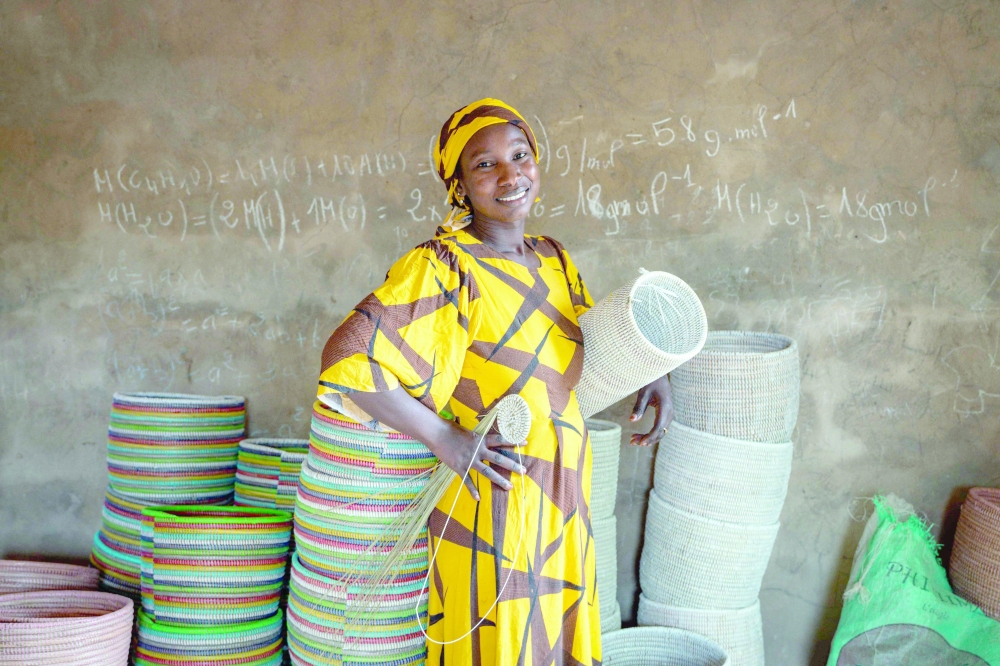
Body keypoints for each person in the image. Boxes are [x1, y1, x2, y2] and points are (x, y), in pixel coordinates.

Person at [317, 98, 673, 664]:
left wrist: (655, 372)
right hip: (495, 504)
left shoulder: (555, 260)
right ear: (458, 185)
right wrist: (444, 438)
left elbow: (589, 350)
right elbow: (348, 356)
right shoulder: (444, 265)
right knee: (497, 647)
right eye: (484, 164)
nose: (510, 174)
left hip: (562, 500)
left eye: (520, 155)